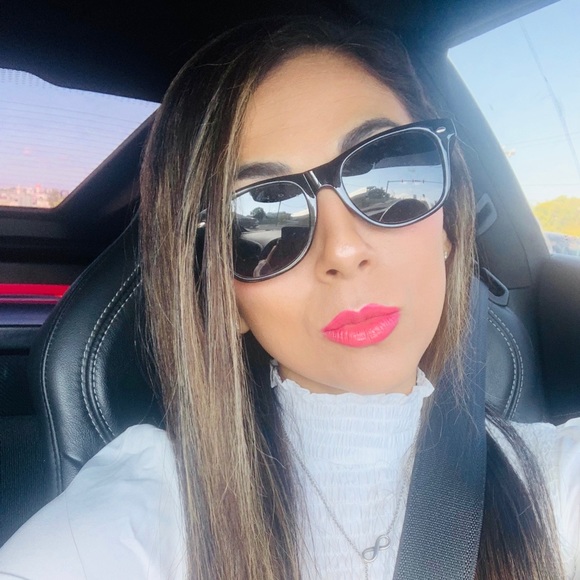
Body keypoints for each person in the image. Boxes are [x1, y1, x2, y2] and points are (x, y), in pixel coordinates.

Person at [0, 16, 579, 580]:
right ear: (226, 296)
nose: (343, 249)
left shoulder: (554, 481)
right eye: (262, 219)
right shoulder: (153, 508)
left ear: (447, 226)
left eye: (387, 178)